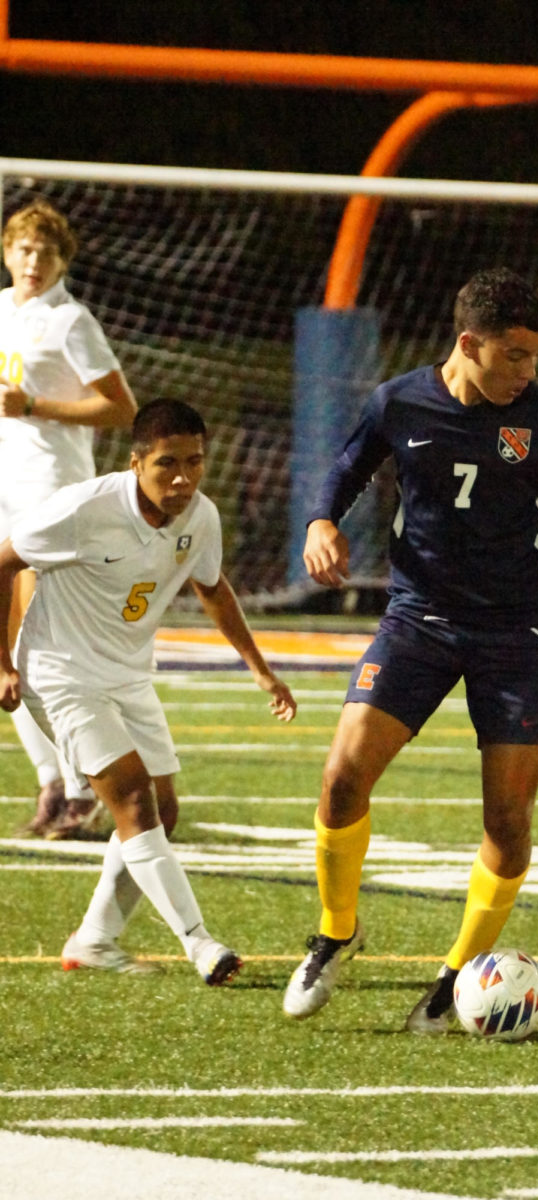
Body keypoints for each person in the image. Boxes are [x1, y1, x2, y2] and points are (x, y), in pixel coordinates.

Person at [282, 267, 538, 1031]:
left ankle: (455, 980)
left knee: (508, 821)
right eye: (513, 355)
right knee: (341, 778)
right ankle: (334, 932)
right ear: (467, 344)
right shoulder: (399, 400)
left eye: (534, 356)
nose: (527, 372)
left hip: (511, 633)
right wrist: (320, 523)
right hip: (416, 620)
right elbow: (345, 470)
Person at [0, 398, 298, 983]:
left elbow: (213, 588)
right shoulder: (85, 509)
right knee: (134, 802)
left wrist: (260, 668)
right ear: (136, 463)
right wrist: (2, 664)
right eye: (167, 464)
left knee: (164, 809)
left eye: (195, 462)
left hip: (128, 674)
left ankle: (94, 941)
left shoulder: (201, 516)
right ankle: (201, 944)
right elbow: (3, 561)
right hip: (60, 673)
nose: (183, 478)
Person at [0, 199, 138, 838]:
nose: (33, 261)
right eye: (25, 249)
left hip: (52, 495)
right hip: (5, 491)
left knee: (41, 650)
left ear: (62, 261)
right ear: (8, 252)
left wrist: (34, 405)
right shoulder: (1, 312)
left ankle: (83, 788)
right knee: (8, 656)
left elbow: (120, 409)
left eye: (46, 252)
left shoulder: (70, 322)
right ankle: (53, 782)